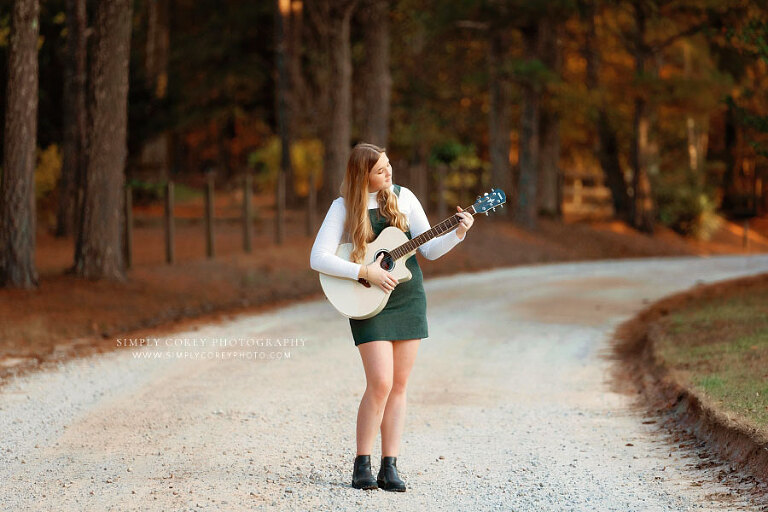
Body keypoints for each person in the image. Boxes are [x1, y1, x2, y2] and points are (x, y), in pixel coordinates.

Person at [309, 142, 474, 491]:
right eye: (381, 170)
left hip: (407, 297)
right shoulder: (342, 207)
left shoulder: (404, 198)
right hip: (367, 298)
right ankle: (361, 463)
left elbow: (427, 249)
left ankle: (390, 465)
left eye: (389, 166)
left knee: (399, 385)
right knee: (380, 382)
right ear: (361, 175)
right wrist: (364, 273)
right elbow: (318, 258)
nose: (389, 173)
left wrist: (458, 233)